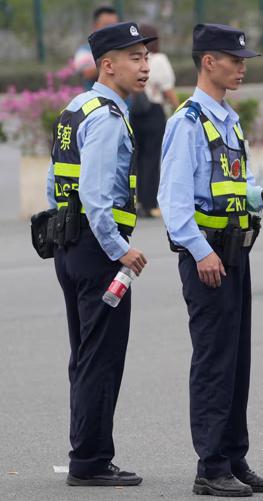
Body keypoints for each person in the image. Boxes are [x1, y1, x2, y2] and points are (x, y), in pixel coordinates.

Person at [158, 23, 263, 498]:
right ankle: (210, 466)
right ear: (209, 61)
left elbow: (225, 188)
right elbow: (173, 201)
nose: (242, 67)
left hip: (234, 253)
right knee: (213, 362)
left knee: (236, 361)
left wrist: (261, 195)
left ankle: (233, 456)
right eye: (235, 59)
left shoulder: (226, 119)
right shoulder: (186, 122)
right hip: (208, 256)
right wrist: (201, 251)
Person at [45, 21, 153, 487]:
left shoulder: (76, 107)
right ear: (108, 66)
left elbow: (55, 182)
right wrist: (120, 249)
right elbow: (95, 193)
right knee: (101, 357)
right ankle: (89, 461)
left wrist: (65, 232)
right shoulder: (107, 117)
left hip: (69, 248)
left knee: (85, 354)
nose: (145, 65)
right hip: (97, 253)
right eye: (135, 58)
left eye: (146, 56)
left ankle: (86, 452)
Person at [129, 23, 178, 218]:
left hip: (136, 112)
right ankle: (150, 204)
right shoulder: (159, 60)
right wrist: (179, 108)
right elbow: (168, 90)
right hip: (154, 111)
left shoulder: (133, 60)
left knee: (138, 159)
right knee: (152, 158)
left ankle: (138, 202)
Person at [72, 6, 119, 90]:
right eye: (107, 25)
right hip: (98, 102)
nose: (111, 29)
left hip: (124, 102)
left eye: (115, 25)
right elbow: (88, 73)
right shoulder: (85, 51)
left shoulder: (123, 48)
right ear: (95, 26)